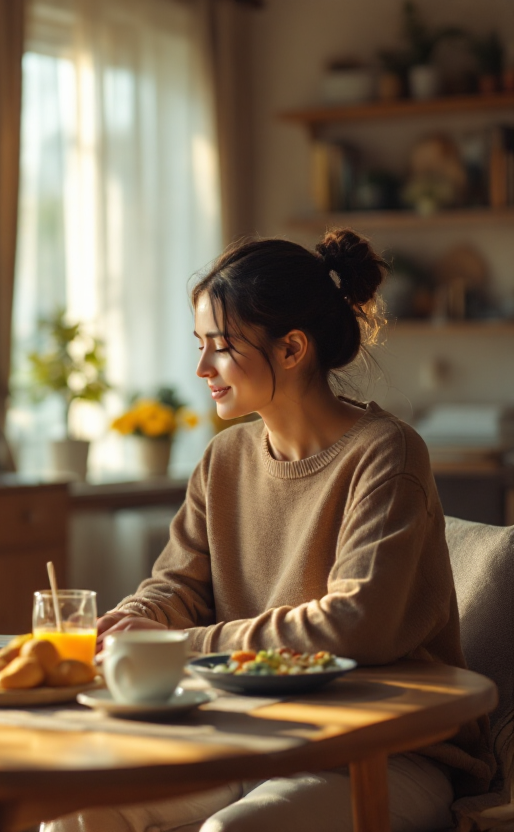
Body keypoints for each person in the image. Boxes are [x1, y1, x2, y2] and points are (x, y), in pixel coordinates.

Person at [45, 229, 494, 832]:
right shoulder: (223, 459)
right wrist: (130, 624)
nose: (202, 366)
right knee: (79, 814)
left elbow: (356, 623)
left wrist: (181, 646)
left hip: (384, 750)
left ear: (291, 350)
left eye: (222, 346)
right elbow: (177, 587)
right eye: (201, 344)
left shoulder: (387, 453)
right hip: (252, 736)